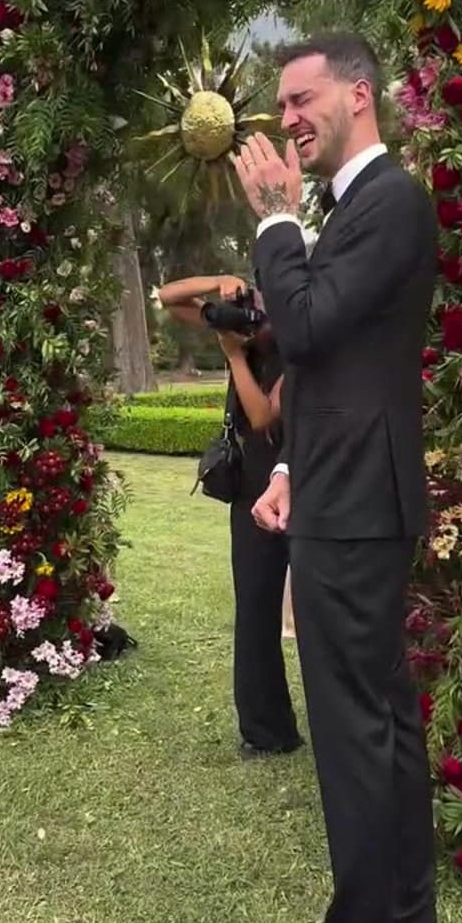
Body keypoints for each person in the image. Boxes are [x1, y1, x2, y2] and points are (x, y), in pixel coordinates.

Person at [230, 32, 439, 923]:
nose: (287, 120)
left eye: (302, 98)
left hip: (358, 512)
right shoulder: (361, 208)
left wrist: (274, 220)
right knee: (387, 722)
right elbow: (336, 361)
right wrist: (285, 468)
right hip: (347, 491)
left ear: (360, 93)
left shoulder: (389, 198)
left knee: (356, 738)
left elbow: (303, 328)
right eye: (280, 105)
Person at [158, 273, 302, 759]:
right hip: (250, 490)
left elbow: (264, 416)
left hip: (299, 479)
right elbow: (167, 296)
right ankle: (267, 730)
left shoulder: (296, 348)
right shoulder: (239, 328)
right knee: (256, 608)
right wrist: (220, 283)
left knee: (318, 611)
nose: (253, 318)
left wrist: (236, 356)